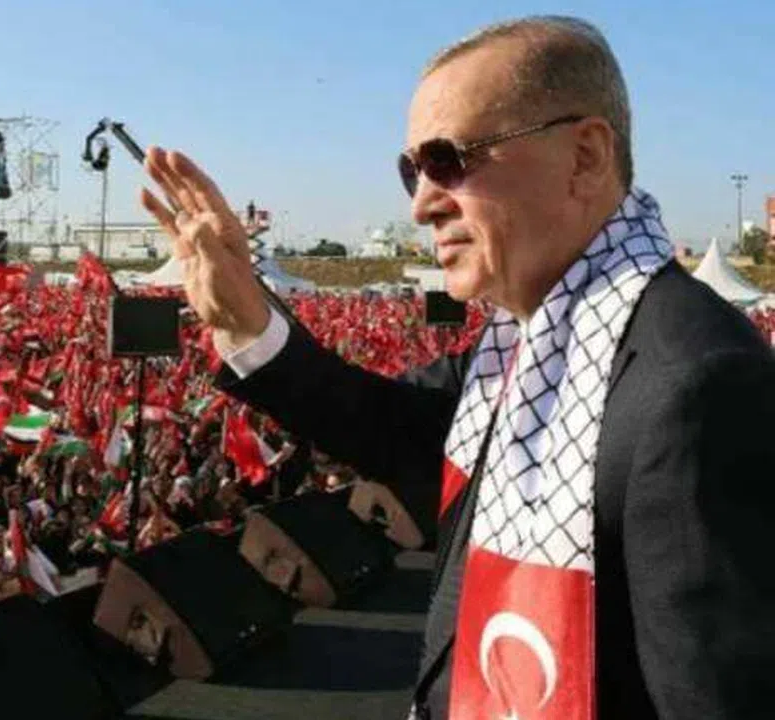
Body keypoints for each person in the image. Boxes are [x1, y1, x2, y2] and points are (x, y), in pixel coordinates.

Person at [140, 15, 775, 719]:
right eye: (411, 170)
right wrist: (248, 323)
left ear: (585, 156)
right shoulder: (527, 345)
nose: (421, 205)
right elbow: (386, 425)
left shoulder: (697, 388)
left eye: (448, 159)